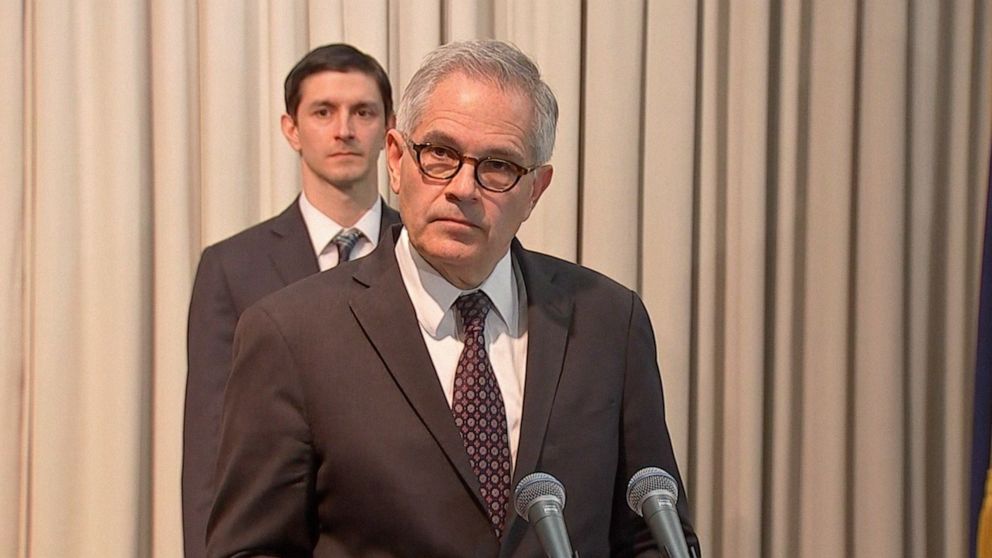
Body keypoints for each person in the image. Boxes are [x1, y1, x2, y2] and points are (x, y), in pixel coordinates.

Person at [207, 39, 700, 557]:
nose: (464, 187)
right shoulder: (293, 334)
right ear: (396, 160)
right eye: (440, 153)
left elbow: (652, 529)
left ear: (535, 190)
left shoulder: (605, 320)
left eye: (499, 165)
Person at [182, 43, 400, 558]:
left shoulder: (429, 252)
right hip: (279, 536)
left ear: (390, 131)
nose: (344, 129)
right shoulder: (233, 267)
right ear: (291, 129)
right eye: (323, 112)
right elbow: (211, 444)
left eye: (362, 112)